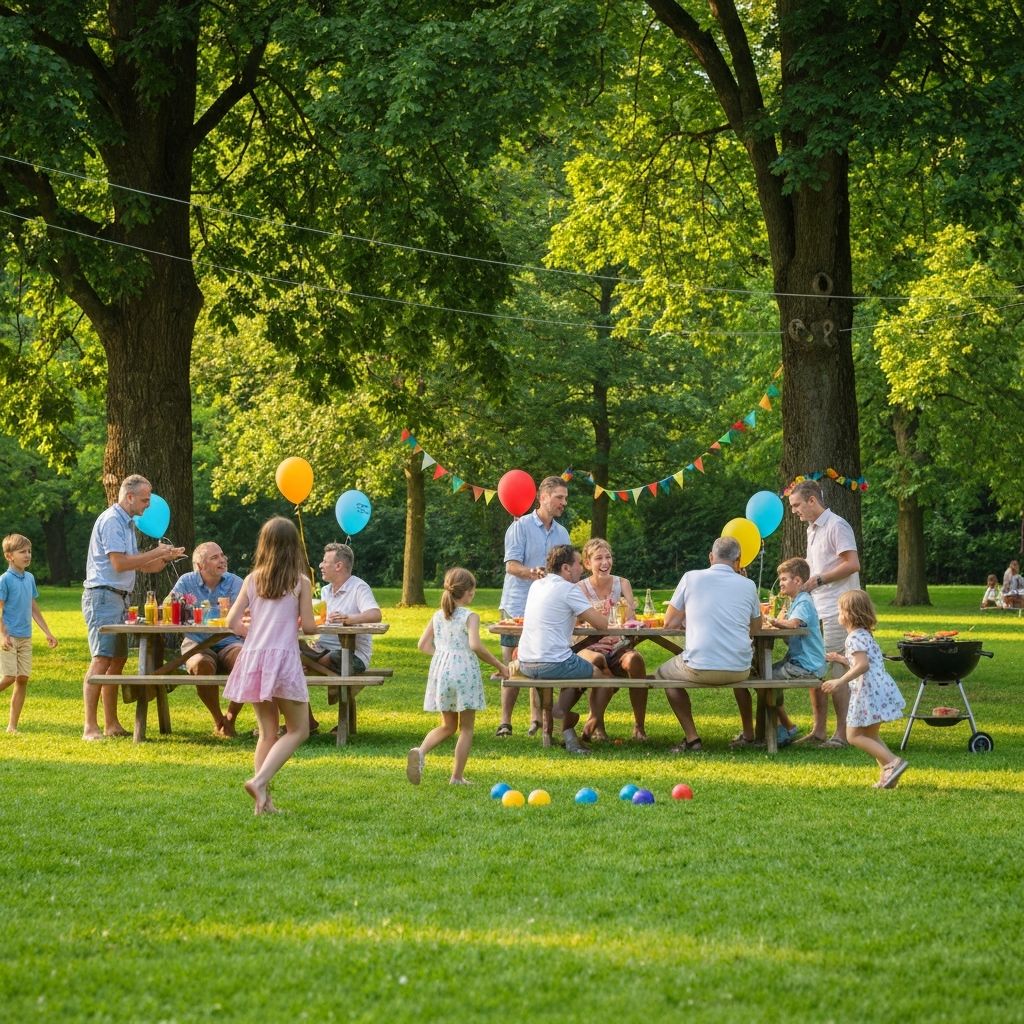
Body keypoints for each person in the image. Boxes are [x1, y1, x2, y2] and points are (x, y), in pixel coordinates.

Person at [223, 517, 317, 815]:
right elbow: (311, 627)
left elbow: (231, 622)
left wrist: (254, 633)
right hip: (283, 659)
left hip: (253, 658)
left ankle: (264, 805)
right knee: (299, 729)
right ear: (294, 547)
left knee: (267, 733)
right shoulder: (300, 582)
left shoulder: (252, 579)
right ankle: (260, 781)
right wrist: (302, 623)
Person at [82, 475, 185, 740]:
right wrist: (155, 551)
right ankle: (90, 727)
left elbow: (139, 564)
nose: (148, 505)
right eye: (145, 499)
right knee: (101, 659)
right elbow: (118, 564)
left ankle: (111, 724)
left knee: (117, 660)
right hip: (103, 596)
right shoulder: (112, 521)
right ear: (129, 496)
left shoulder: (127, 525)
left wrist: (163, 557)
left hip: (118, 597)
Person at [655, 536, 761, 752]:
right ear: (738, 561)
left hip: (699, 668)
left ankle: (692, 738)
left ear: (711, 557)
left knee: (662, 674)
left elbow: (669, 622)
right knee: (741, 663)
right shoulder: (749, 585)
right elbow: (757, 629)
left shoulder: (691, 578)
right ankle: (749, 734)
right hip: (740, 669)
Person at [407, 568, 508, 786]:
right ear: (469, 592)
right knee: (467, 728)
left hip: (441, 671)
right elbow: (475, 645)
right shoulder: (470, 616)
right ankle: (457, 777)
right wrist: (500, 664)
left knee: (448, 725)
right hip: (464, 672)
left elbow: (422, 645)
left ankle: (420, 751)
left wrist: (444, 657)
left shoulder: (437, 616)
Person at [495, 475, 571, 737]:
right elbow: (511, 566)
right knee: (512, 666)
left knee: (540, 660)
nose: (563, 503)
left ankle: (536, 720)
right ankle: (505, 722)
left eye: (565, 498)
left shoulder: (562, 533)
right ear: (543, 497)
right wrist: (532, 572)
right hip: (516, 606)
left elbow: (566, 571)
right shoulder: (519, 527)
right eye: (559, 497)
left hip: (548, 610)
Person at [787, 479, 861, 748]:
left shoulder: (837, 525)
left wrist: (818, 580)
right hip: (818, 608)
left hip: (838, 609)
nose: (794, 511)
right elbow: (816, 564)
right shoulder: (812, 529)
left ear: (812, 500)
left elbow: (852, 564)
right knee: (815, 667)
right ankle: (819, 730)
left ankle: (841, 734)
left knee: (835, 669)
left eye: (797, 505)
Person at [517, 544, 611, 753]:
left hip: (526, 662)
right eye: (578, 564)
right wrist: (603, 612)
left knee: (577, 668)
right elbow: (602, 625)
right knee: (603, 677)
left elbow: (560, 612)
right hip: (553, 662)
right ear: (566, 568)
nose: (582, 569)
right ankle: (563, 715)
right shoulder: (568, 589)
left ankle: (563, 723)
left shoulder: (538, 585)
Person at [823, 590, 908, 789]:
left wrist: (839, 681)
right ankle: (888, 776)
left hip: (868, 691)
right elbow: (859, 661)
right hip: (877, 688)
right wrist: (841, 659)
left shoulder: (853, 638)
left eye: (839, 610)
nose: (838, 614)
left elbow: (862, 666)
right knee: (870, 736)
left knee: (853, 736)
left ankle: (894, 762)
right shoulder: (864, 634)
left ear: (849, 614)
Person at [301, 542, 381, 734]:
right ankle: (307, 721)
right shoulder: (326, 590)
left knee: (336, 657)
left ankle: (314, 666)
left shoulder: (358, 587)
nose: (320, 565)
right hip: (322, 649)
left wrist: (350, 619)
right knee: (290, 653)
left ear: (339, 566)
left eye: (325, 561)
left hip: (353, 656)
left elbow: (375, 614)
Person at [575, 538, 649, 742]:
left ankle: (639, 727)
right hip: (590, 646)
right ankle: (597, 725)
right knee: (597, 662)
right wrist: (590, 616)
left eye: (608, 557)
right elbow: (575, 622)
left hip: (618, 646)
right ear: (588, 563)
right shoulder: (580, 588)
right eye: (598, 558)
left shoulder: (622, 584)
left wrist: (629, 614)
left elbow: (632, 622)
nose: (605, 562)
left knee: (636, 661)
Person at [169, 542, 245, 736]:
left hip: (229, 640)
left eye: (222, 555)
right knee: (201, 664)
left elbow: (247, 614)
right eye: (214, 558)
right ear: (200, 566)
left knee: (245, 661)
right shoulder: (187, 581)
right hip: (197, 641)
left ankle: (230, 718)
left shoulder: (236, 582)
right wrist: (179, 605)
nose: (222, 560)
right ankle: (218, 719)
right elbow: (168, 606)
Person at [764, 557, 827, 746]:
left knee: (765, 679)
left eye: (784, 579)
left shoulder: (804, 602)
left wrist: (775, 622)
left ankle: (781, 730)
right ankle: (784, 726)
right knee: (763, 674)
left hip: (806, 664)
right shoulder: (795, 601)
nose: (781, 583)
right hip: (798, 661)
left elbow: (794, 624)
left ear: (798, 581)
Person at [0, 534, 58, 733]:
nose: (27, 555)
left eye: (29, 551)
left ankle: (12, 726)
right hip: (8, 638)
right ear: (9, 556)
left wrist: (47, 632)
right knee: (8, 677)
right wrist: (2, 635)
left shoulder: (30, 578)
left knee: (22, 678)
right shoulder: (4, 580)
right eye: (22, 552)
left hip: (26, 637)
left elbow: (33, 607)